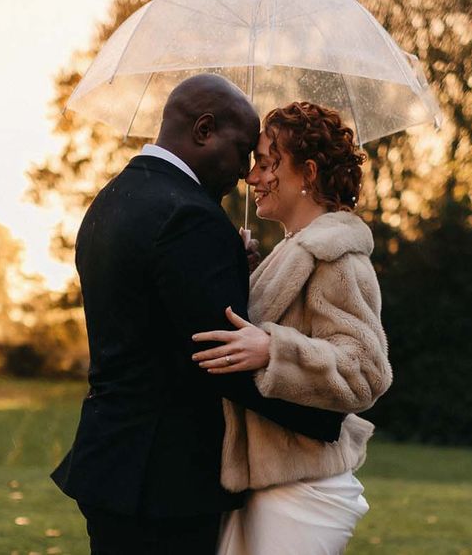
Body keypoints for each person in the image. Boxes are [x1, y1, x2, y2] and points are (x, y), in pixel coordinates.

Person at [51, 76, 344, 555]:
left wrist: (231, 265)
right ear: (204, 130)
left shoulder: (112, 200)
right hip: (166, 479)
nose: (246, 173)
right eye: (243, 149)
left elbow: (158, 319)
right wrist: (327, 416)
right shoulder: (192, 216)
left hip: (111, 458)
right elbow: (220, 355)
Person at [191, 101, 393, 555]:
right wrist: (241, 271)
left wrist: (274, 351)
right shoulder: (291, 250)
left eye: (266, 163)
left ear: (308, 172)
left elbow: (366, 370)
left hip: (304, 491)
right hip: (270, 484)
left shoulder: (338, 254)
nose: (251, 177)